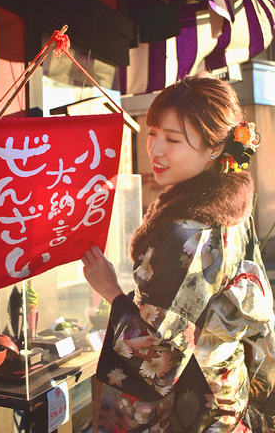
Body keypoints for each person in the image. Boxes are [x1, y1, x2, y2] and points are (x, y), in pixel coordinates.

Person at [81, 71, 275, 433]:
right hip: (225, 391)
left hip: (187, 408)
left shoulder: (188, 232)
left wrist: (109, 290)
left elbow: (160, 356)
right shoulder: (232, 212)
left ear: (216, 148)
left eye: (172, 139)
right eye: (152, 133)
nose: (154, 149)